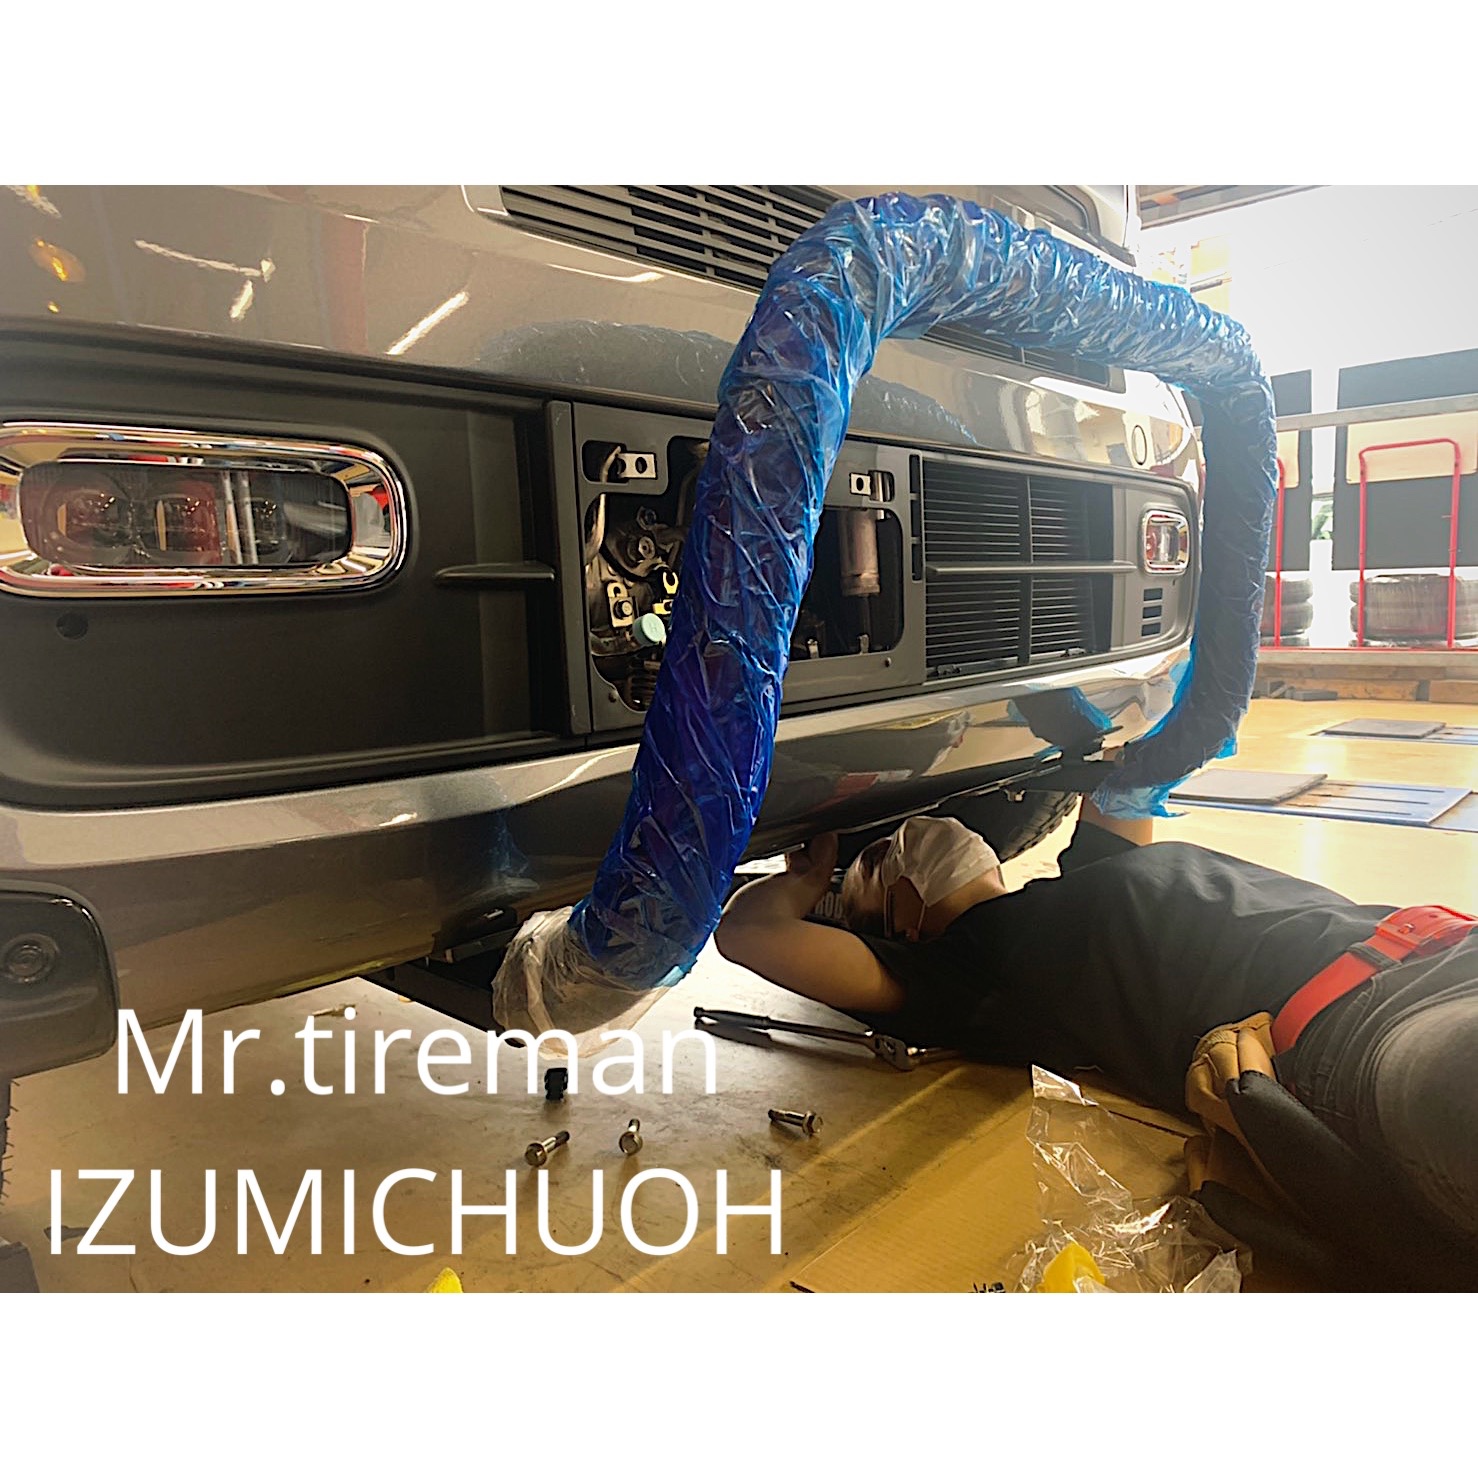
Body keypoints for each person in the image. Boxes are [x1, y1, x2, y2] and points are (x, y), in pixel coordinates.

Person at [714, 801, 1478, 1289]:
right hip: (1435, 952)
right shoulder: (1106, 868)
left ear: (906, 914)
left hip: (1361, 1034)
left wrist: (810, 877)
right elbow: (1120, 781)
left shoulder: (976, 969)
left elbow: (748, 932)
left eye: (860, 910)